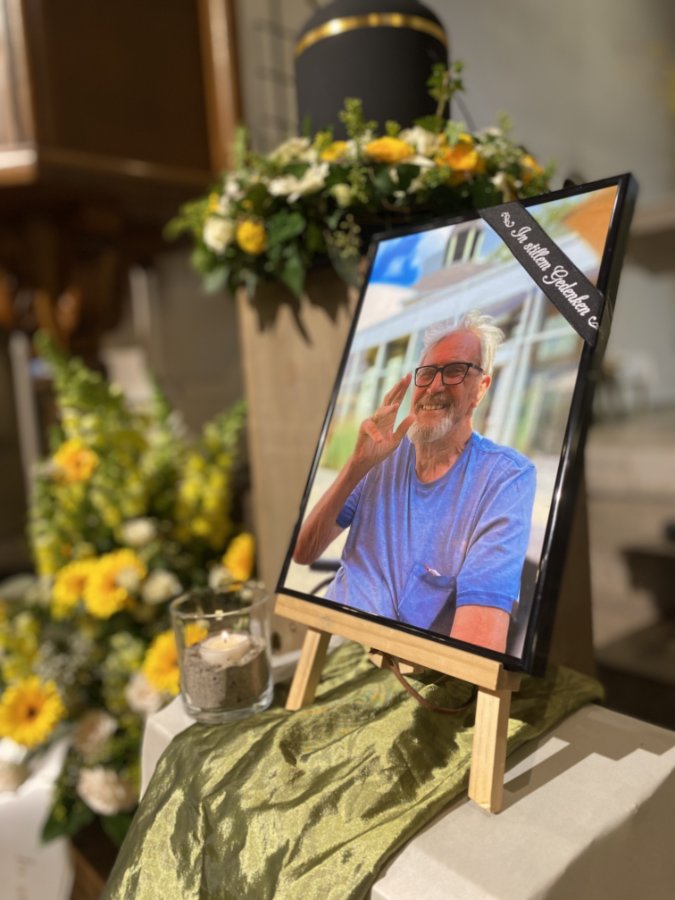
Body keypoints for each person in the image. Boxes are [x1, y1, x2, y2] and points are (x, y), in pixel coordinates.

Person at [292, 311, 536, 653]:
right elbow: (304, 553)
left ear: (481, 388)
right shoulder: (383, 452)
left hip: (402, 668)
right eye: (427, 373)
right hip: (331, 643)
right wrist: (357, 465)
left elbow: (476, 650)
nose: (434, 386)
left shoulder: (504, 478)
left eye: (455, 371)